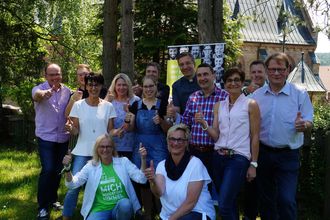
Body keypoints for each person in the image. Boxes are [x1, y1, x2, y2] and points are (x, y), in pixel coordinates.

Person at [252, 52, 313, 219]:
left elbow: (309, 121)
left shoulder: (300, 94)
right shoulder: (257, 96)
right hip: (263, 153)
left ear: (288, 70)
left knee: (286, 199)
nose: (276, 73)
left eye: (280, 69)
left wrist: (304, 125)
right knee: (266, 200)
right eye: (272, 69)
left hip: (288, 155)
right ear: (266, 71)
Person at [197, 67, 260, 219]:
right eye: (229, 80)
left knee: (224, 203)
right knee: (228, 203)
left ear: (242, 83)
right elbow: (216, 135)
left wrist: (254, 164)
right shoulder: (219, 105)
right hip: (218, 157)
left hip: (238, 158)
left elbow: (255, 135)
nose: (233, 83)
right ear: (224, 84)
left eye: (236, 80)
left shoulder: (251, 104)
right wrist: (204, 124)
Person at [62, 73, 118, 219]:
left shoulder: (108, 106)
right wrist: (70, 128)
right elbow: (76, 131)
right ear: (86, 86)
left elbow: (110, 130)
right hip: (81, 151)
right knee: (73, 187)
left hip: (102, 153)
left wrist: (117, 131)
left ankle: (96, 213)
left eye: (96, 85)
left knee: (99, 186)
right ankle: (66, 215)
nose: (93, 88)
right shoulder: (78, 105)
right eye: (90, 85)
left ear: (101, 86)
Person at [62, 134, 147, 220]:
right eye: (102, 147)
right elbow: (72, 184)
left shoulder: (123, 162)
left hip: (120, 209)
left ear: (113, 148)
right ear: (97, 149)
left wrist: (143, 159)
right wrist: (67, 169)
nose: (105, 149)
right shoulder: (90, 166)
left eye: (108, 146)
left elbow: (142, 179)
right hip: (100, 209)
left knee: (126, 204)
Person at [143, 124, 216, 220]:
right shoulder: (161, 165)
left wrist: (171, 219)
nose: (176, 143)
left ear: (186, 143)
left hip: (197, 213)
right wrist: (152, 181)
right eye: (172, 139)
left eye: (180, 139)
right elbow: (158, 193)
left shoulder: (195, 164)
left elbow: (190, 203)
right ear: (167, 142)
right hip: (169, 216)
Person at [127, 75, 170, 220]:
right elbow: (131, 128)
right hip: (141, 145)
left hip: (158, 146)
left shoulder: (163, 104)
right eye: (146, 86)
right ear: (142, 88)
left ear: (156, 87)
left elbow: (167, 130)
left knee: (159, 178)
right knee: (143, 179)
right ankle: (147, 214)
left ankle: (163, 212)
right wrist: (129, 121)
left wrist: (161, 122)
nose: (148, 89)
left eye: (151, 86)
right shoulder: (135, 105)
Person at [32, 63, 71, 219]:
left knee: (57, 171)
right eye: (52, 74)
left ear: (61, 75)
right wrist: (44, 93)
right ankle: (42, 206)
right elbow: (36, 95)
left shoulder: (67, 91)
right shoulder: (38, 88)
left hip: (63, 137)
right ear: (46, 76)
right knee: (47, 170)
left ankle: (53, 199)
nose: (55, 77)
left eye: (58, 74)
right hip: (45, 137)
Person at [178, 63, 227, 175]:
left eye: (206, 74)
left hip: (215, 152)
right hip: (194, 152)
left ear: (213, 76)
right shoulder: (193, 97)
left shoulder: (224, 97)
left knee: (216, 187)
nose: (202, 78)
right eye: (199, 75)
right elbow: (185, 123)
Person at [242, 60, 267, 220]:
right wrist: (245, 91)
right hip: (249, 145)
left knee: (266, 186)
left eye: (260, 72)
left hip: (267, 145)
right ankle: (249, 216)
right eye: (254, 72)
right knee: (249, 184)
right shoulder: (245, 94)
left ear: (265, 73)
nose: (257, 75)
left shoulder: (270, 91)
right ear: (250, 74)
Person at [105, 73, 140, 159]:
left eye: (124, 85)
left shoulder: (135, 101)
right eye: (119, 85)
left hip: (131, 146)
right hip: (112, 147)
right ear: (114, 86)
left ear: (128, 86)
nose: (121, 88)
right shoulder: (110, 102)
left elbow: (135, 126)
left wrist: (128, 113)